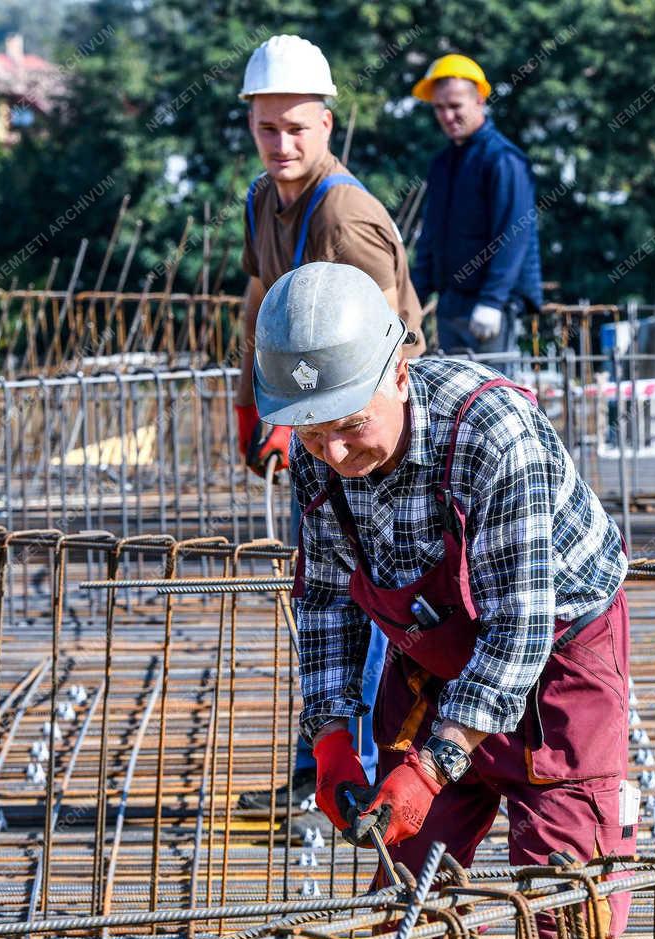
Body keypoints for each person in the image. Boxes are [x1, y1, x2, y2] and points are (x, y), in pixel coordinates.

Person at [253, 260, 634, 939]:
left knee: (565, 916)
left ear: (397, 369)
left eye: (350, 421)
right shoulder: (314, 458)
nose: (335, 447)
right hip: (428, 660)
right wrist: (333, 739)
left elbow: (515, 633)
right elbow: (327, 601)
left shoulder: (489, 438)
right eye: (317, 429)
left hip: (555, 669)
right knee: (413, 900)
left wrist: (435, 762)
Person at [233, 34, 424, 822]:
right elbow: (256, 299)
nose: (282, 144)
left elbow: (381, 354)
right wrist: (252, 405)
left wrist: (329, 430)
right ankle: (329, 755)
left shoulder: (343, 216)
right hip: (313, 421)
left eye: (297, 128)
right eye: (267, 127)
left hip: (371, 434)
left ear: (328, 123)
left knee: (370, 594)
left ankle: (366, 769)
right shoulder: (261, 200)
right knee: (324, 589)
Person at [410, 53, 542, 359]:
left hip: (492, 308)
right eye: (439, 108)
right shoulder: (443, 164)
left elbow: (514, 235)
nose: (446, 115)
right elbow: (431, 237)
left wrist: (493, 301)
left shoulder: (503, 160)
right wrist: (413, 298)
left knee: (494, 399)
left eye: (455, 106)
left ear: (480, 100)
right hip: (452, 303)